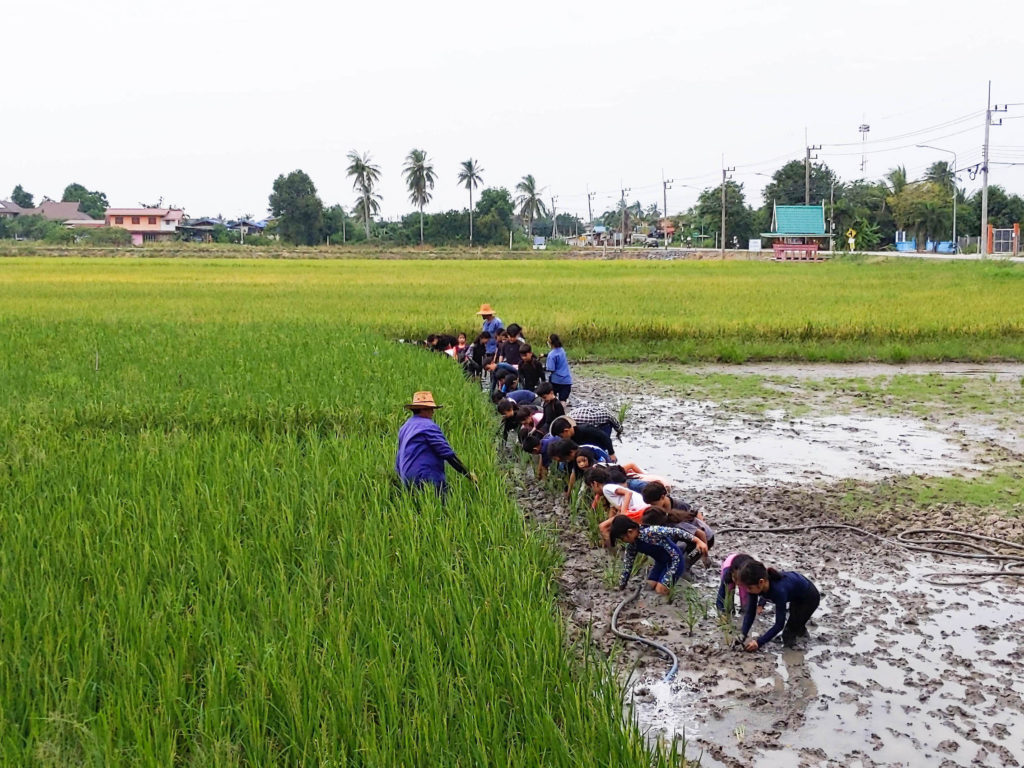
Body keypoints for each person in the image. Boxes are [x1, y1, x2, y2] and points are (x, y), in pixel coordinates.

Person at [396, 391, 477, 492]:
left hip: (406, 477)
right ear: (423, 410)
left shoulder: (405, 427)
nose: (433, 412)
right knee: (443, 503)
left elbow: (399, 456)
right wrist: (468, 474)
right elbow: (447, 454)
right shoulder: (428, 426)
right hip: (424, 476)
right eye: (431, 409)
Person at [610, 515, 707, 595]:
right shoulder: (632, 546)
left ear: (630, 532)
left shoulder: (651, 532)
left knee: (660, 591)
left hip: (674, 561)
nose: (624, 541)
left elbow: (677, 532)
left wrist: (698, 541)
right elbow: (627, 566)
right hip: (660, 564)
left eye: (622, 538)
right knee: (648, 588)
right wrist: (621, 586)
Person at [737, 560, 821, 650]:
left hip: (810, 598)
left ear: (761, 582)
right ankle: (802, 635)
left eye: (749, 588)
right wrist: (743, 634)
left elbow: (779, 625)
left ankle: (792, 656)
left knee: (788, 634)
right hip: (796, 595)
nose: (747, 591)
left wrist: (759, 642)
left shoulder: (779, 591)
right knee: (796, 623)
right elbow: (750, 612)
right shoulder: (755, 588)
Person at [641, 482, 714, 550]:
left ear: (662, 497)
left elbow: (696, 514)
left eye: (653, 504)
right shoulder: (657, 511)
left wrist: (703, 528)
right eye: (649, 504)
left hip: (697, 535)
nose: (651, 506)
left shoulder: (680, 506)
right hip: (681, 535)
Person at [549, 416, 616, 462]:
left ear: (566, 430)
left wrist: (611, 453)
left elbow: (605, 437)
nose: (562, 438)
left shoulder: (586, 429)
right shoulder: (571, 439)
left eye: (561, 436)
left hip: (600, 448)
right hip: (589, 451)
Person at [545, 333, 573, 402]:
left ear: (550, 342)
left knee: (552, 399)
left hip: (556, 381)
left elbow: (551, 369)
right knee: (563, 400)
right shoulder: (562, 350)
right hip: (567, 380)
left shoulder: (551, 355)